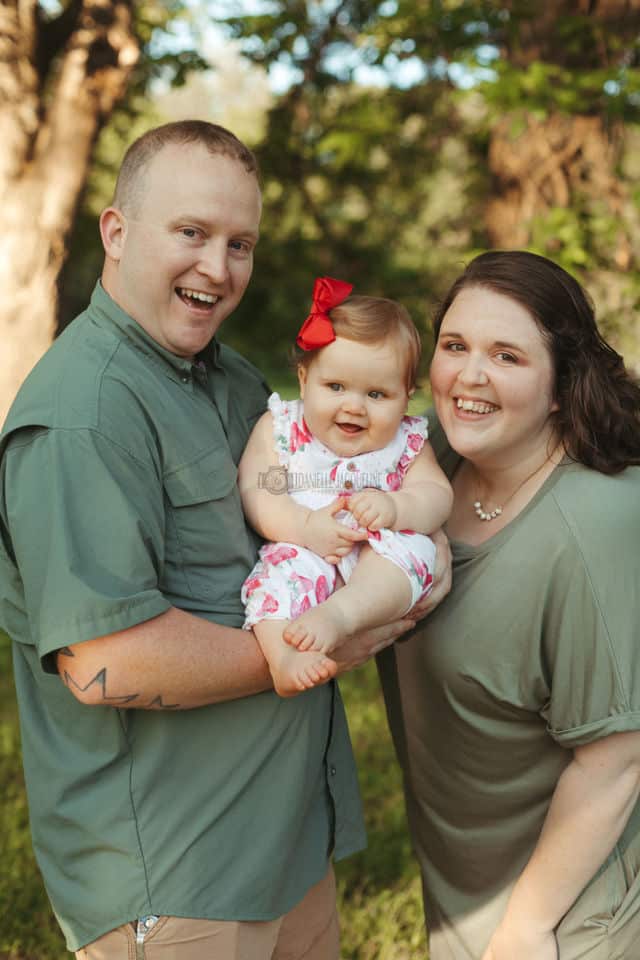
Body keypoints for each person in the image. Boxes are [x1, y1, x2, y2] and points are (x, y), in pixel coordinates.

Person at [0, 120, 423, 960]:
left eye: (241, 243)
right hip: (177, 876)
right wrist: (328, 642)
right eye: (190, 232)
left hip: (282, 845)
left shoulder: (228, 379)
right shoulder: (86, 416)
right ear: (116, 233)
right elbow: (106, 661)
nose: (218, 268)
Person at [378, 250, 640, 960]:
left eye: (507, 356)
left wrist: (525, 929)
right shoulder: (431, 465)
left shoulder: (596, 523)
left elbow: (615, 761)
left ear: (560, 387)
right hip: (466, 898)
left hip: (570, 920)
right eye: (455, 346)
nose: (469, 376)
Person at [239, 276, 453, 695]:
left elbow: (437, 495)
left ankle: (341, 617)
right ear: (304, 380)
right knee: (274, 578)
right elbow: (259, 488)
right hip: (307, 544)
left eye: (377, 394)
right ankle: (283, 658)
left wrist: (397, 508)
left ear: (406, 396)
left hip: (376, 558)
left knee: (413, 552)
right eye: (335, 387)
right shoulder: (282, 428)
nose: (353, 406)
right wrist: (303, 528)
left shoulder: (405, 441)